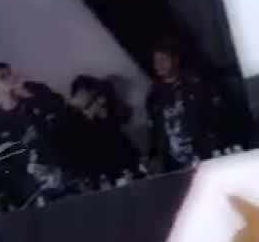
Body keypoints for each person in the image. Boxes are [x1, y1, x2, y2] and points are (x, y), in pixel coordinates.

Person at [0, 63, 77, 205]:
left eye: (9, 74)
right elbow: (5, 166)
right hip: (34, 186)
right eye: (2, 77)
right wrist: (28, 171)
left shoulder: (33, 93)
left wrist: (26, 93)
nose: (9, 78)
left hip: (62, 167)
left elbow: (59, 106)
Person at [145, 42, 230, 173]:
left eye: (163, 60)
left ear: (175, 60)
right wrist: (153, 156)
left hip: (202, 154)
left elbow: (214, 117)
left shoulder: (196, 85)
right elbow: (155, 130)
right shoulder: (154, 95)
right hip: (172, 162)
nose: (159, 65)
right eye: (155, 61)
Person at [69, 76, 143, 187]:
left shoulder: (112, 115)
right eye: (79, 95)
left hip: (124, 169)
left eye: (84, 94)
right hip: (99, 176)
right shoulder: (75, 123)